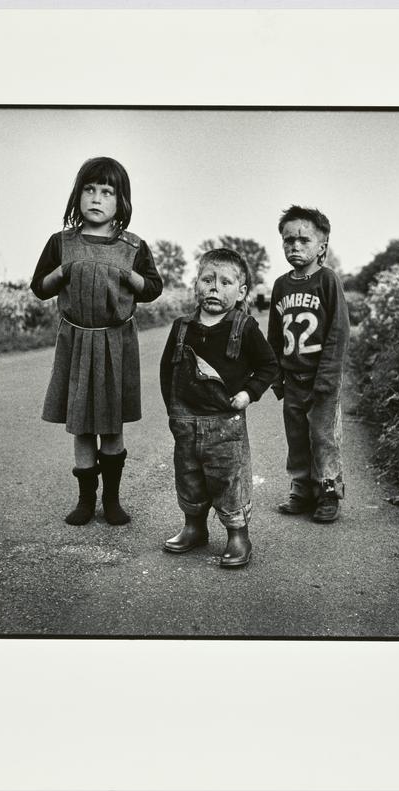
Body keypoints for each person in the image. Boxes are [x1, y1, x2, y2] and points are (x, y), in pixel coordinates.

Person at [30, 156, 163, 526]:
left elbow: (153, 288)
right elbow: (39, 288)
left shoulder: (133, 247)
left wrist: (127, 275)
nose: (97, 198)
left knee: (111, 423)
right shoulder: (60, 243)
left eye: (107, 192)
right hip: (75, 340)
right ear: (77, 195)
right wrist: (63, 271)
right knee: (82, 424)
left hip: (116, 342)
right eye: (90, 189)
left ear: (121, 202)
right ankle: (85, 502)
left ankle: (113, 501)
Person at [159, 249, 278, 568]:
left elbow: (269, 366)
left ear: (241, 293)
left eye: (226, 282)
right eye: (207, 279)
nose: (214, 287)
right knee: (189, 477)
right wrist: (173, 412)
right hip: (186, 422)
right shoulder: (182, 327)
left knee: (229, 480)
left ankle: (238, 535)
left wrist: (248, 393)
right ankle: (194, 527)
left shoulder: (244, 326)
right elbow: (167, 371)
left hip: (226, 424)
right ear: (195, 285)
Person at [267, 205, 350, 523]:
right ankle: (301, 489)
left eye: (303, 240)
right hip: (293, 377)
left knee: (322, 436)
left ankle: (328, 490)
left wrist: (327, 378)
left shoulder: (328, 281)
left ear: (322, 247)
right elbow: (275, 334)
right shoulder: (281, 285)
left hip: (321, 377)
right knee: (297, 436)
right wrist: (275, 375)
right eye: (288, 240)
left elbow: (338, 332)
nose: (295, 246)